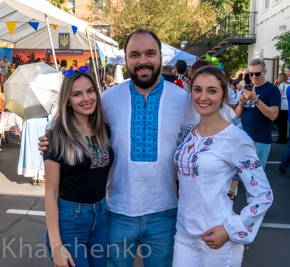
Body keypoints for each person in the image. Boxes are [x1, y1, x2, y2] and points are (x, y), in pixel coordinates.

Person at [39, 28, 198, 267]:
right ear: (126, 59)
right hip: (117, 213)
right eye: (135, 54)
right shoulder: (108, 99)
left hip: (165, 213)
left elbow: (202, 144)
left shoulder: (184, 100)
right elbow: (78, 123)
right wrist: (50, 139)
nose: (142, 61)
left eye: (150, 53)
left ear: (161, 57)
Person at [172, 66, 273, 266]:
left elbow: (264, 195)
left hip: (217, 237)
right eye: (197, 89)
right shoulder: (189, 133)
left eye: (212, 90)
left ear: (224, 95)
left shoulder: (236, 138)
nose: (203, 97)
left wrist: (230, 229)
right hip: (183, 233)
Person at [43, 70, 113, 266]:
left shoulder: (104, 130)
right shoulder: (56, 137)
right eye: (77, 94)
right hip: (70, 219)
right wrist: (56, 245)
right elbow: (50, 193)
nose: (86, 98)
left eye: (90, 91)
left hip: (100, 216)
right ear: (67, 100)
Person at [235, 58, 281, 170]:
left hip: (260, 140)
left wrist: (256, 100)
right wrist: (241, 104)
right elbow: (236, 116)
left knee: (256, 176)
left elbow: (273, 115)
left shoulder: (272, 89)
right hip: (243, 138)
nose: (254, 77)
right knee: (241, 174)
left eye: (257, 74)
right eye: (251, 74)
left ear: (265, 72)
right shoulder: (247, 88)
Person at [275, 73, 290, 143]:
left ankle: (281, 138)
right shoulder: (289, 84)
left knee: (281, 124)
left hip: (282, 106)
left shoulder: (281, 85)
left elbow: (279, 95)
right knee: (285, 123)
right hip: (288, 105)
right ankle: (285, 137)